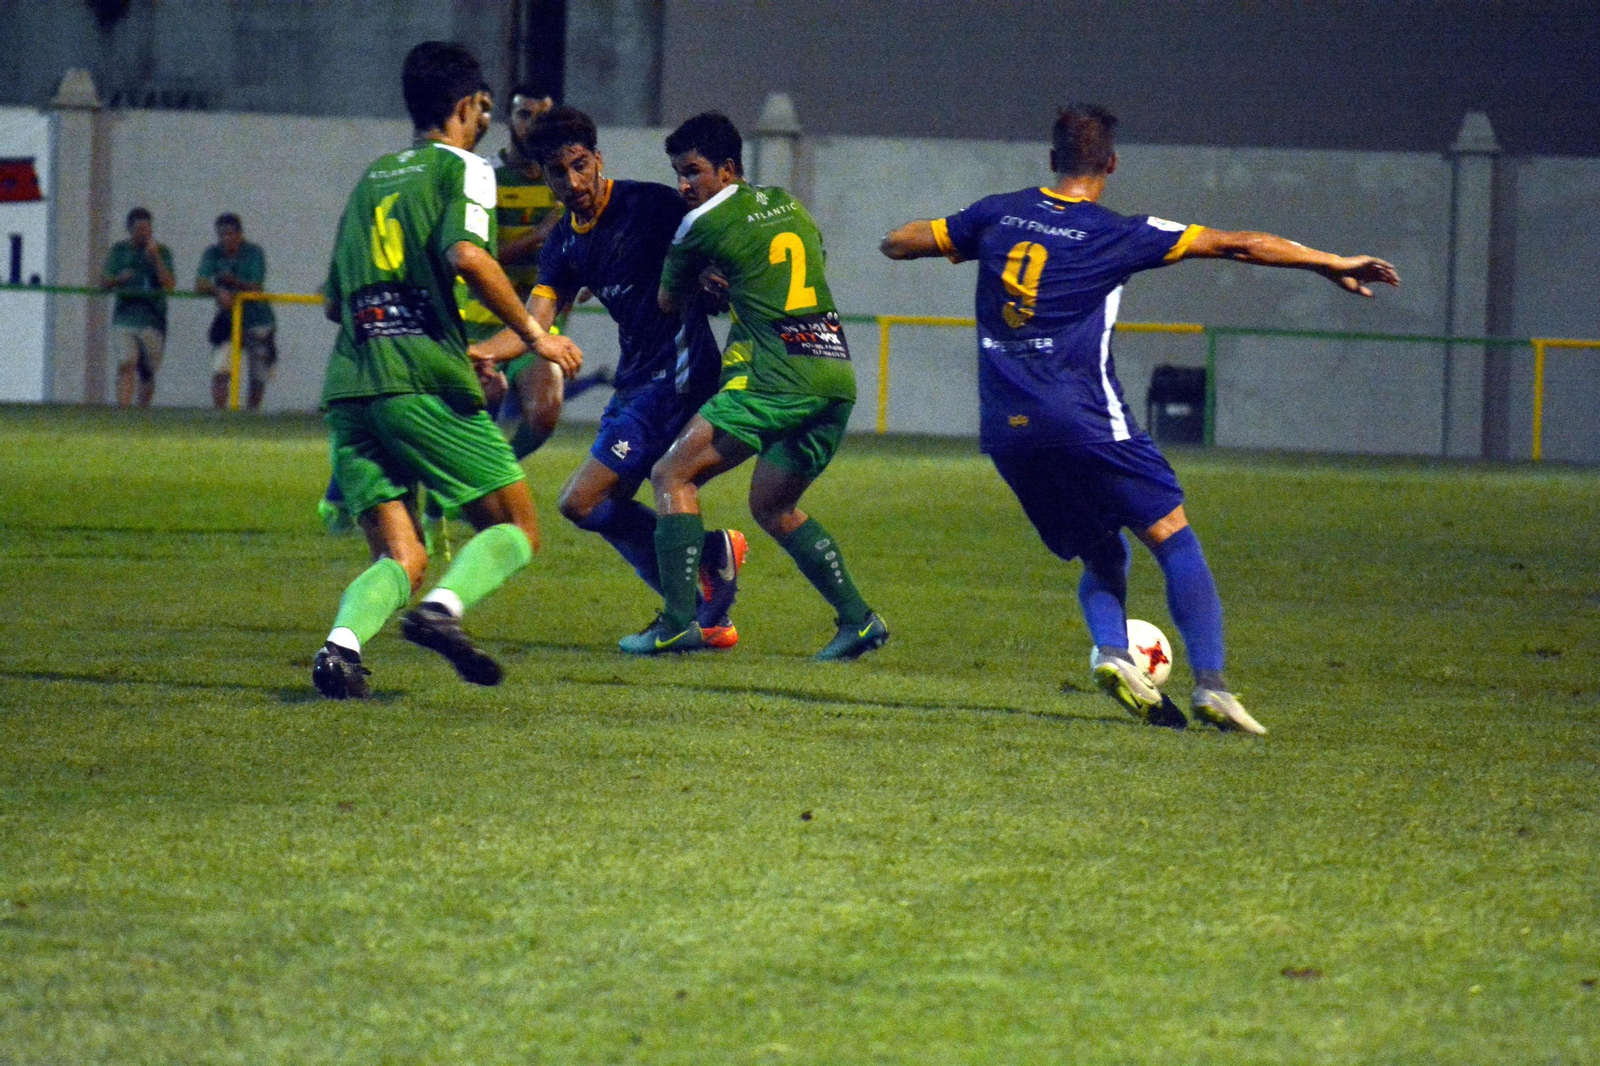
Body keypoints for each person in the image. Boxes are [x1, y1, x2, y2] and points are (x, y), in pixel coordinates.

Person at [879, 104, 1400, 733]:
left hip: (1007, 428)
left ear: (1051, 160)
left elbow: (899, 242)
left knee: (1103, 555)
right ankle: (1212, 685)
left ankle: (1114, 654)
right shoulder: (1118, 231)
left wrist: (962, 243)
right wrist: (1329, 261)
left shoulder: (996, 213)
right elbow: (1237, 245)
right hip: (1084, 417)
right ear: (1111, 164)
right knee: (1172, 534)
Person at [310, 41, 582, 699]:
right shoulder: (463, 168)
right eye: (484, 108)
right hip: (418, 383)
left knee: (402, 556)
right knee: (517, 528)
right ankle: (443, 612)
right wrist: (533, 335)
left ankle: (340, 651)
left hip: (351, 386)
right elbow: (466, 254)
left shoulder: (373, 177)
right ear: (466, 106)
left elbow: (331, 302)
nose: (487, 121)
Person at [470, 106, 746, 648]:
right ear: (544, 176)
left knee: (580, 500)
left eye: (579, 165)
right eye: (557, 172)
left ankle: (690, 602)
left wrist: (720, 279)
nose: (571, 182)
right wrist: (482, 353)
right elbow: (535, 322)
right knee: (590, 505)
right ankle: (706, 576)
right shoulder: (564, 246)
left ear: (597, 159)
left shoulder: (650, 204)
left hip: (678, 372)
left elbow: (718, 234)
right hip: (636, 378)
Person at [625, 111, 887, 659]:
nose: (683, 186)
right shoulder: (792, 207)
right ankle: (859, 620)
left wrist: (699, 278)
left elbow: (668, 303)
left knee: (672, 474)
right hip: (834, 375)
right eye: (677, 173)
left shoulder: (700, 226)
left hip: (778, 377)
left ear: (727, 169)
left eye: (692, 172)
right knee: (772, 505)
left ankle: (677, 622)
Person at [197, 213, 276, 410]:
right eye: (221, 235)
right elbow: (200, 282)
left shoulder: (254, 253)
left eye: (230, 234)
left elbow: (255, 287)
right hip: (228, 320)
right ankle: (220, 415)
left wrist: (231, 282)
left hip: (257, 318)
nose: (226, 239)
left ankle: (251, 414)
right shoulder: (213, 253)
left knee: (258, 374)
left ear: (240, 234)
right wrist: (217, 291)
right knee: (221, 370)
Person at [100, 207, 175, 407]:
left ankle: (142, 410)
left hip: (153, 318)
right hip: (126, 316)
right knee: (127, 362)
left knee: (147, 369)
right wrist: (119, 279)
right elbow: (104, 281)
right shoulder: (119, 251)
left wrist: (156, 258)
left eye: (147, 228)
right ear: (129, 229)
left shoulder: (162, 252)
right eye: (139, 229)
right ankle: (124, 408)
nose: (144, 233)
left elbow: (169, 284)